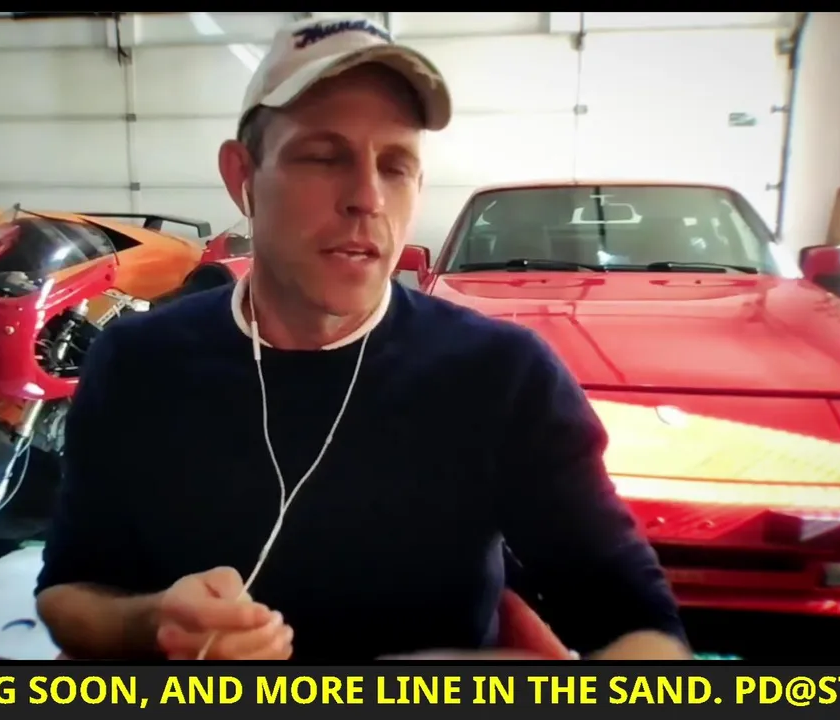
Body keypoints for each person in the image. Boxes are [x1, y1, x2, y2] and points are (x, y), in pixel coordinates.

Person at [35, 14, 692, 662]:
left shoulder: (501, 376)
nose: (367, 198)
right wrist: (154, 624)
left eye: (396, 166)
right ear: (243, 177)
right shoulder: (139, 363)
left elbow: (641, 630)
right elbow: (68, 591)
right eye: (324, 157)